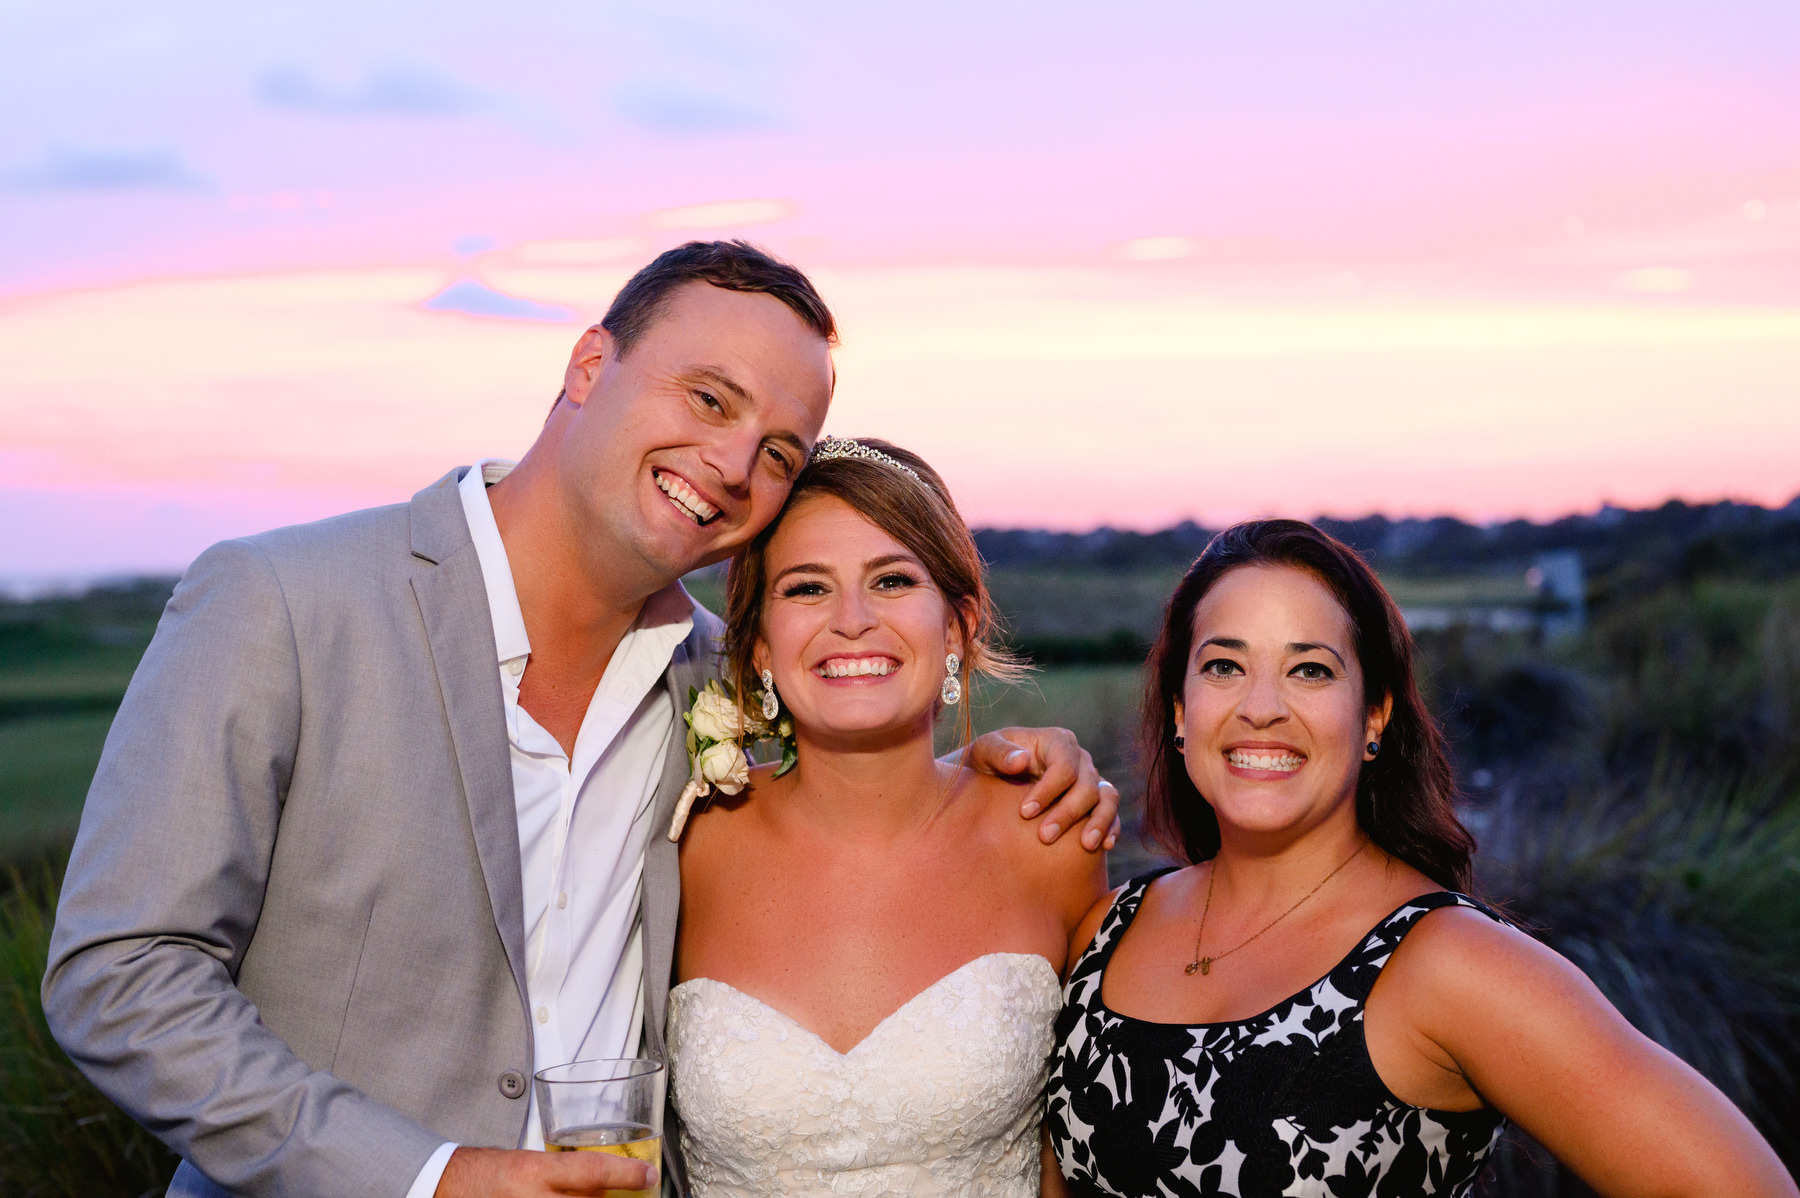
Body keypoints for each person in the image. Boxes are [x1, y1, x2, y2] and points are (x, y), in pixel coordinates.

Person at [42, 241, 1120, 1198]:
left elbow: (867, 802)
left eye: (782, 449)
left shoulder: (721, 684)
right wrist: (429, 1178)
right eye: (709, 398)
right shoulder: (284, 603)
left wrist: (996, 766)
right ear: (589, 364)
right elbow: (119, 974)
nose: (737, 463)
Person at [1044, 519, 1796, 1198]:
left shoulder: (1450, 965)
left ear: (1374, 716)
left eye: (1310, 669)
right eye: (1223, 667)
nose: (1261, 706)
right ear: (1180, 712)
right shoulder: (1105, 930)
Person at [670, 437, 1110, 1196]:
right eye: (807, 588)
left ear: (957, 627)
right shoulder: (690, 842)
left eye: (893, 580)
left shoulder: (1048, 834)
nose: (852, 620)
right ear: (762, 648)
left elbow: (1072, 1153)